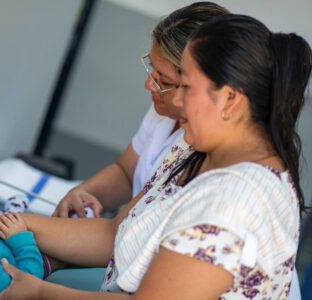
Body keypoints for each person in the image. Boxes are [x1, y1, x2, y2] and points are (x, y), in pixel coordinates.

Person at [0, 13, 312, 299]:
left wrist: (39, 293)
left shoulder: (232, 202)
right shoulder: (196, 147)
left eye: (186, 87)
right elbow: (115, 234)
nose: (175, 102)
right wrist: (17, 223)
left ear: (230, 100)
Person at [52, 2, 230, 218]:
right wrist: (82, 193)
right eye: (152, 70)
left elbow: (116, 232)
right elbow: (127, 173)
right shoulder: (164, 110)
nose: (148, 84)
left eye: (163, 79)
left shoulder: (210, 153)